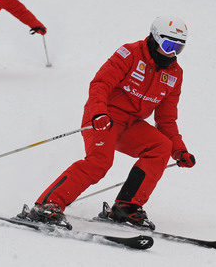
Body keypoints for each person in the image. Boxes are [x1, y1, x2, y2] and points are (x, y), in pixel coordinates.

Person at [25, 16, 196, 229]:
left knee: (161, 146)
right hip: (103, 117)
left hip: (131, 124)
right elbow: (101, 83)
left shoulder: (174, 74)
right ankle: (47, 206)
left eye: (178, 49)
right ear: (154, 38)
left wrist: (179, 150)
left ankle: (126, 207)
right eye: (168, 46)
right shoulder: (130, 53)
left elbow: (166, 118)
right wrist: (98, 113)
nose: (172, 54)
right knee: (100, 162)